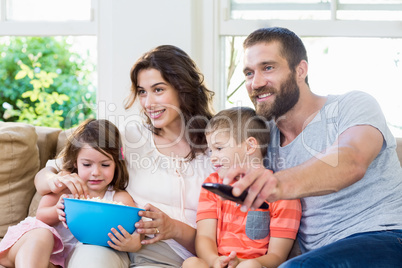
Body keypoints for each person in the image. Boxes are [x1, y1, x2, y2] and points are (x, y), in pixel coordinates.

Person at [223, 27, 402, 267]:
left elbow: (351, 160)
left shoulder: (352, 105)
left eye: (268, 67)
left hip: (384, 237)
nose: (255, 83)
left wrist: (276, 184)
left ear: (300, 70)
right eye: (248, 73)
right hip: (317, 256)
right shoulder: (261, 137)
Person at [34, 45, 215, 267]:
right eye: (142, 92)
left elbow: (224, 235)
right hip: (116, 243)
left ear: (183, 89)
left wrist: (174, 228)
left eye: (158, 90)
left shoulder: (217, 148)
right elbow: (49, 170)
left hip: (186, 256)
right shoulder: (129, 137)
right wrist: (56, 180)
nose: (148, 103)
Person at [0, 119, 139, 268]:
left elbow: (136, 233)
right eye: (87, 164)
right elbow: (41, 216)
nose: (96, 172)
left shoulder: (118, 198)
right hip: (29, 246)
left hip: (57, 262)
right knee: (43, 235)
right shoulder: (66, 184)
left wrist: (131, 244)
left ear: (116, 163)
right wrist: (57, 211)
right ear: (75, 163)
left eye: (105, 165)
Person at [183, 107, 302, 268]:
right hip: (217, 264)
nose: (213, 157)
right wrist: (214, 261)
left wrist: (240, 263)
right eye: (211, 151)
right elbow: (205, 237)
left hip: (252, 265)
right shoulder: (213, 185)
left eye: (219, 148)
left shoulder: (280, 193)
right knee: (191, 263)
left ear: (250, 146)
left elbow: (277, 256)